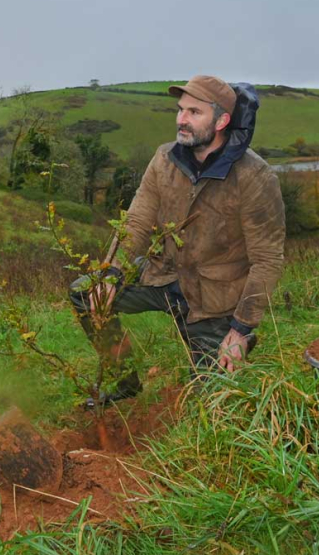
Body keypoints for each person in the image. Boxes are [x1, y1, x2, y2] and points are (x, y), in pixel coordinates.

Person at [70, 75, 285, 406]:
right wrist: (112, 274)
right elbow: (138, 220)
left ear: (222, 120)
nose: (181, 120)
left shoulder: (254, 177)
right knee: (87, 293)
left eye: (194, 112)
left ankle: (223, 347)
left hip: (214, 298)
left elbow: (267, 260)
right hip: (166, 275)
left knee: (210, 407)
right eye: (181, 109)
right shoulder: (165, 158)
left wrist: (240, 329)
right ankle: (123, 382)